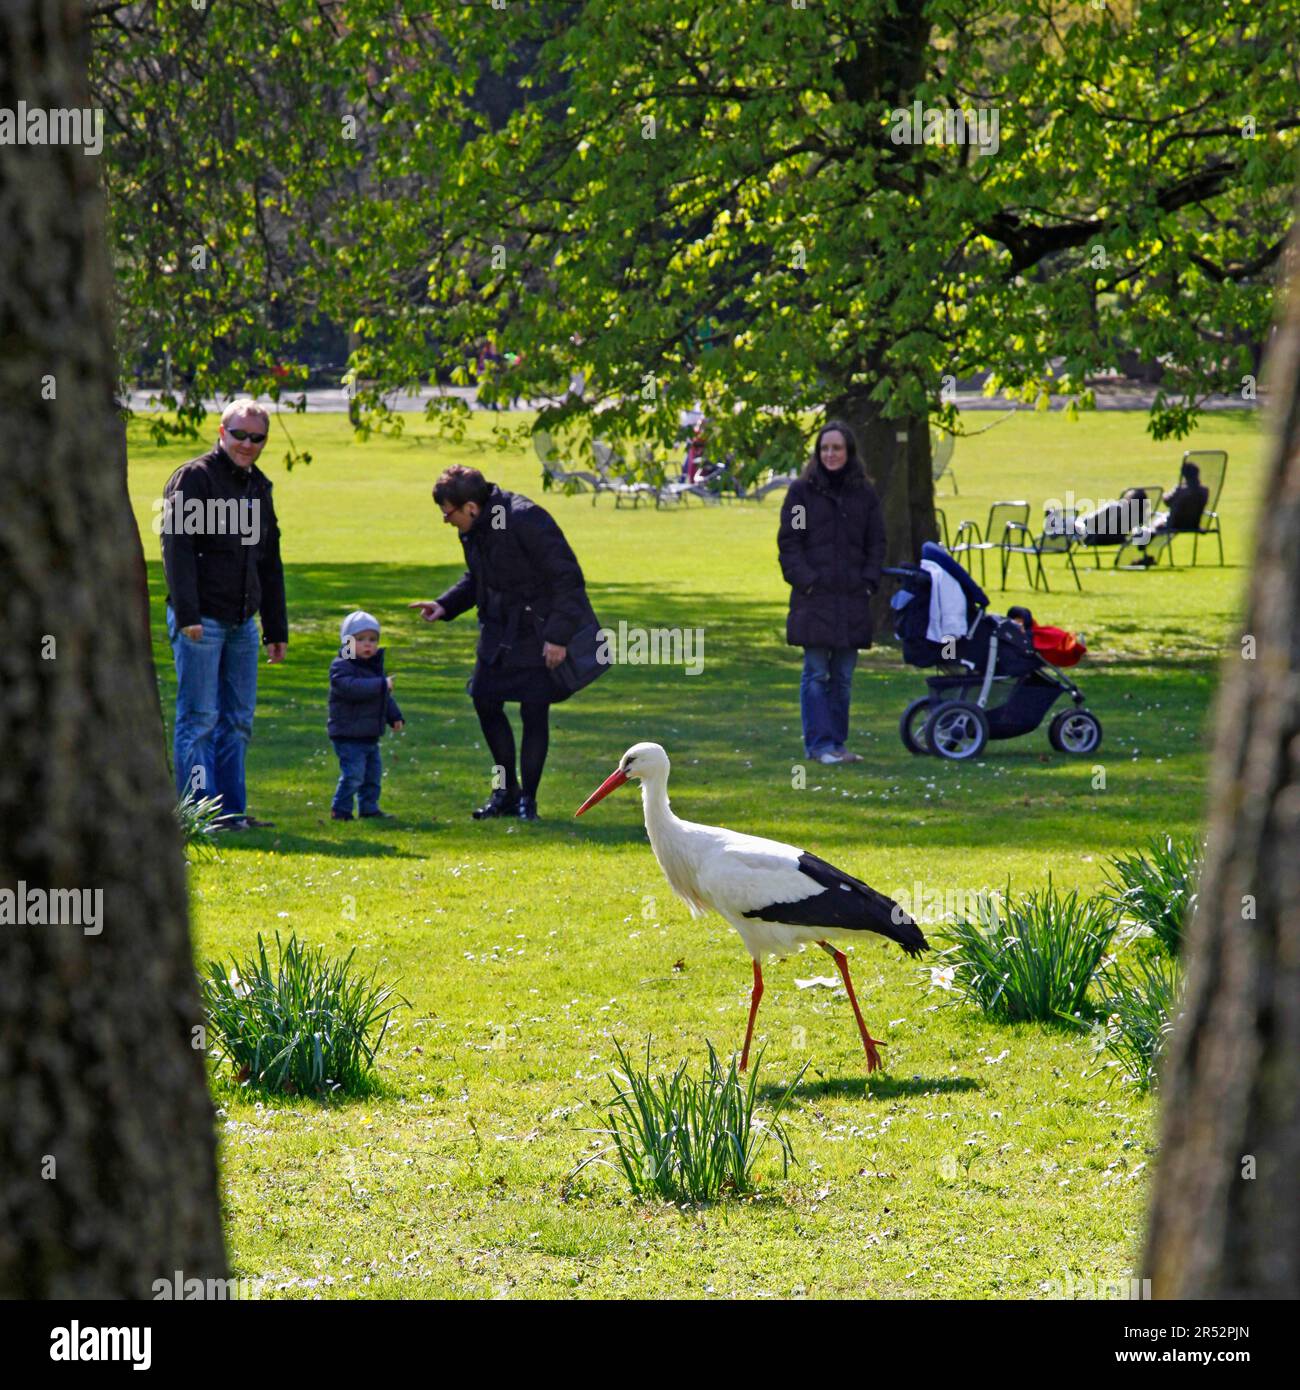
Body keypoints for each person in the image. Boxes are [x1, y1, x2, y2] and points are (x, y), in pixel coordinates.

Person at [409, 465, 600, 821]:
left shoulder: (525, 519)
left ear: (470, 507)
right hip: (500, 632)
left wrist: (557, 637)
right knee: (484, 699)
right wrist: (445, 604)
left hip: (537, 631)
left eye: (448, 512)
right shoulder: (479, 528)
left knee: (533, 710)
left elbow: (567, 578)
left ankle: (528, 799)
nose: (445, 520)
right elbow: (480, 577)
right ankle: (505, 791)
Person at [161, 399, 287, 830]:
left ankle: (232, 812)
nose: (247, 444)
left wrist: (276, 627)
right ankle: (198, 814)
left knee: (237, 721)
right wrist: (187, 612)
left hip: (242, 622)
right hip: (202, 620)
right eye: (240, 435)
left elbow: (270, 560)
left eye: (257, 438)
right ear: (220, 431)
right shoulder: (194, 479)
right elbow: (175, 548)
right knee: (198, 719)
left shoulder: (259, 487)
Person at [777, 421, 886, 765]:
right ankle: (819, 745)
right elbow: (789, 541)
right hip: (814, 601)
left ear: (849, 452)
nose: (831, 454)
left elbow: (877, 541)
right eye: (825, 448)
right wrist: (806, 580)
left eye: (837, 448)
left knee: (843, 678)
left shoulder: (865, 495)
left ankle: (838, 744)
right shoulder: (800, 493)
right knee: (816, 674)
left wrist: (868, 581)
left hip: (853, 600)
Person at [328, 611, 405, 821]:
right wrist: (382, 684)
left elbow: (383, 698)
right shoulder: (341, 666)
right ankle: (341, 809)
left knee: (372, 776)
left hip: (369, 734)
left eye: (372, 640)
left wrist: (394, 716)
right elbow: (351, 688)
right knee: (353, 775)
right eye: (360, 640)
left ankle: (369, 808)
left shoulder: (373, 668)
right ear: (347, 642)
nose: (367, 645)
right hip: (348, 734)